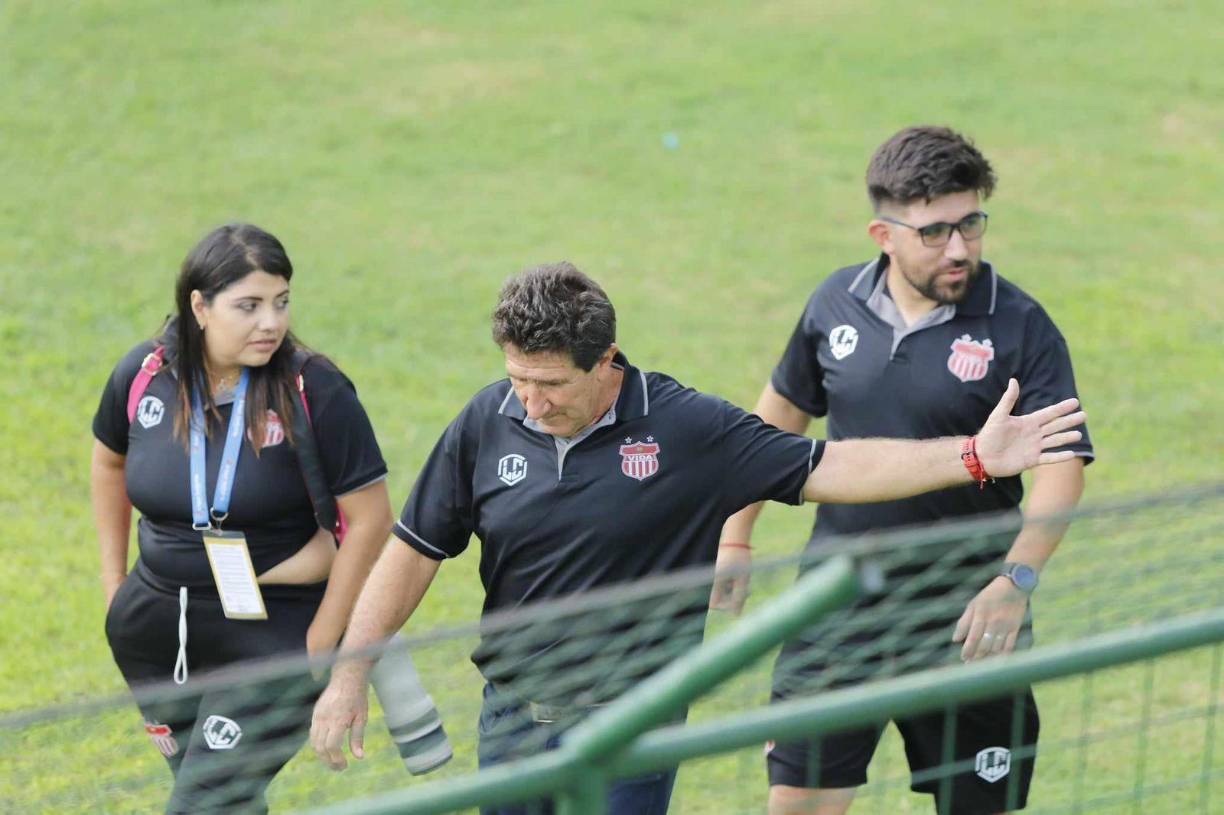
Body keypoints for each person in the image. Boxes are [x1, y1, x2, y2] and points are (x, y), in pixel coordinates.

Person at [309, 261, 1084, 815]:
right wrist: (351, 671)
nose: (531, 401)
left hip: (631, 721)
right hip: (512, 717)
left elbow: (832, 462)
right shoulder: (487, 419)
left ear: (606, 362)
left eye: (551, 383)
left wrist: (974, 454)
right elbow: (413, 549)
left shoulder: (685, 428)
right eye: (518, 377)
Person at [712, 126, 1094, 815]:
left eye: (972, 223)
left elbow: (1063, 466)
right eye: (935, 231)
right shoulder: (834, 306)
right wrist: (735, 535)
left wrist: (1017, 578)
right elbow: (772, 427)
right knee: (797, 804)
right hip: (837, 611)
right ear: (882, 234)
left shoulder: (1021, 325)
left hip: (969, 619)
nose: (960, 248)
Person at [92, 224, 404, 813]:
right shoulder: (144, 374)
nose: (271, 323)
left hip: (275, 632)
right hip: (154, 631)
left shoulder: (316, 389)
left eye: (281, 302)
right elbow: (109, 463)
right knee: (222, 798)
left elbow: (371, 519)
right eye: (249, 306)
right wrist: (115, 587)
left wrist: (322, 640)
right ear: (200, 307)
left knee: (204, 803)